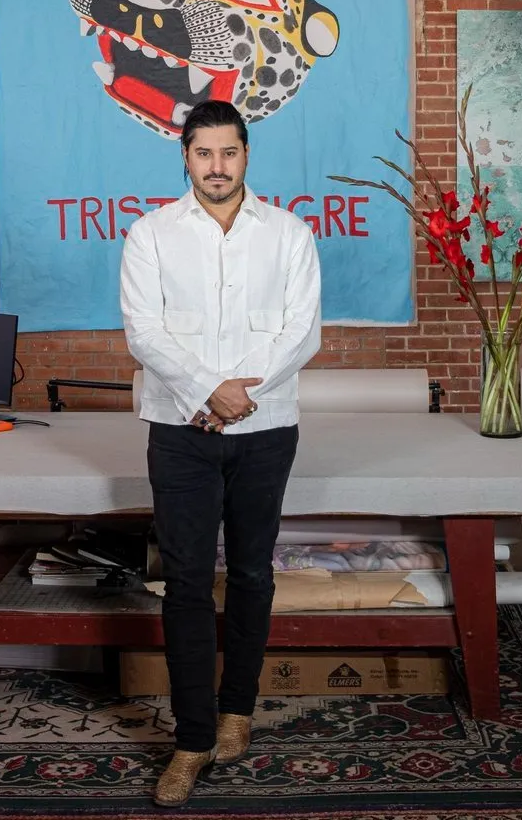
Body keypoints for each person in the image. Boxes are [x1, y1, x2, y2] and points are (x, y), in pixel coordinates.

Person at [119, 99, 322, 806]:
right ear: (185, 157)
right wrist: (210, 391)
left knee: (252, 574)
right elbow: (145, 334)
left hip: (266, 431)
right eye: (203, 153)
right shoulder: (150, 235)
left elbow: (303, 334)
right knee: (184, 583)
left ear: (246, 155)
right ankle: (192, 739)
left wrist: (241, 397)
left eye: (228, 153)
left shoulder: (290, 234)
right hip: (180, 433)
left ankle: (238, 710)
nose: (216, 166)